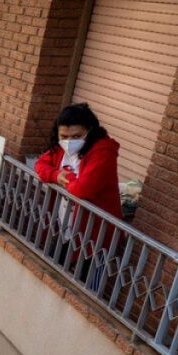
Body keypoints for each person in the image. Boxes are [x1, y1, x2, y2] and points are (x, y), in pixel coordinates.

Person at [34, 103, 122, 283]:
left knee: (88, 286)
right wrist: (56, 175)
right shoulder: (60, 148)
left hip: (96, 234)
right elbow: (40, 165)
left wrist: (66, 179)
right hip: (67, 227)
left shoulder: (103, 152)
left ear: (89, 131)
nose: (69, 141)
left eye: (76, 136)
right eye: (64, 136)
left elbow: (82, 189)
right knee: (52, 273)